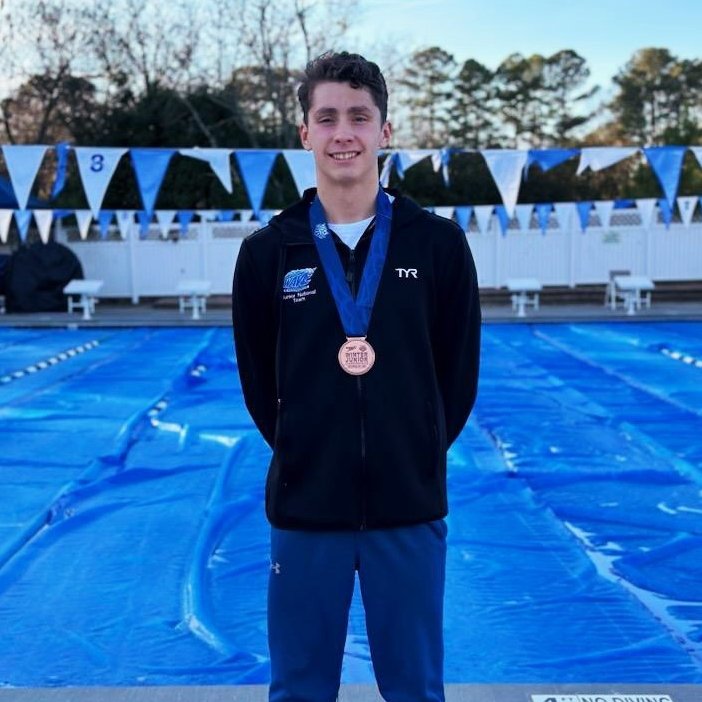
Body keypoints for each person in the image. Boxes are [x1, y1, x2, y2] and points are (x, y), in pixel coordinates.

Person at [232, 51, 480, 702]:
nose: (344, 132)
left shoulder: (437, 245)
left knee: (416, 689)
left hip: (408, 505)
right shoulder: (267, 253)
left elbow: (458, 376)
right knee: (300, 689)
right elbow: (260, 384)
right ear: (304, 133)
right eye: (328, 116)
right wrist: (306, 450)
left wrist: (413, 450)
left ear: (384, 132)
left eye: (360, 117)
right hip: (305, 506)